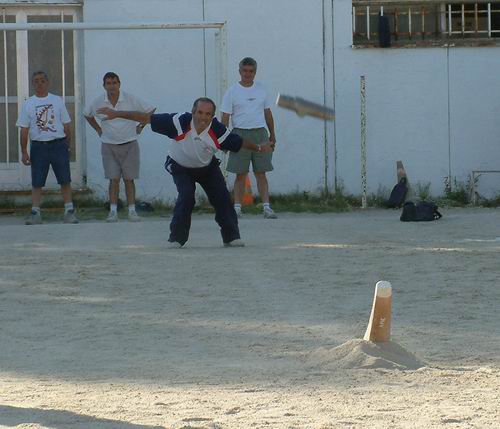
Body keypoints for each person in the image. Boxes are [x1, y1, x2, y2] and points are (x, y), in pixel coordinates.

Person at [97, 97, 274, 248]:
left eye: (208, 114)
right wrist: (116, 114)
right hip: (180, 167)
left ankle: (231, 236)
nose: (203, 118)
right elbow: (146, 118)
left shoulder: (218, 131)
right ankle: (176, 238)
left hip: (207, 168)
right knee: (187, 195)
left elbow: (239, 142)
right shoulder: (179, 122)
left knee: (222, 197)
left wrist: (259, 148)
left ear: (212, 116)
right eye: (199, 113)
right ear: (193, 112)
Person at [84, 72, 155, 222]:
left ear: (119, 84)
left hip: (130, 144)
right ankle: (113, 212)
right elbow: (87, 114)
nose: (112, 86)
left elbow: (151, 109)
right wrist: (98, 129)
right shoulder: (98, 101)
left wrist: (141, 126)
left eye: (114, 83)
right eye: (108, 83)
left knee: (129, 179)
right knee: (113, 179)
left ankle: (132, 211)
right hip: (109, 145)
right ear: (104, 86)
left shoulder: (130, 99)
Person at [17, 71, 78, 225]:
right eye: (36, 81)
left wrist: (67, 145)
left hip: (58, 144)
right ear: (32, 84)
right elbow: (24, 129)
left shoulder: (57, 101)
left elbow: (67, 125)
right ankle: (35, 213)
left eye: (42, 80)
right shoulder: (28, 104)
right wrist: (24, 151)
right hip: (39, 147)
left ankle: (69, 211)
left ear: (48, 82)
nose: (39, 84)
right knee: (37, 181)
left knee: (65, 179)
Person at [221, 57, 278, 219]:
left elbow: (267, 113)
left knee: (261, 173)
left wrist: (272, 134)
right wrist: (224, 138)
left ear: (255, 72)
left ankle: (266, 207)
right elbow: (225, 116)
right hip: (239, 135)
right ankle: (237, 208)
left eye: (251, 71)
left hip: (260, 134)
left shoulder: (262, 89)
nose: (247, 74)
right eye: (245, 71)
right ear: (239, 71)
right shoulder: (232, 91)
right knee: (240, 174)